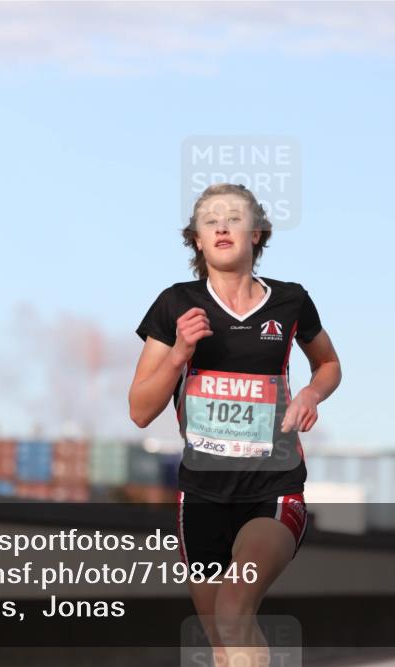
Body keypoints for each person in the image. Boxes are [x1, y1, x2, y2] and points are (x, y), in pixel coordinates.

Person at [129, 183, 342, 666]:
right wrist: (180, 352)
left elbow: (328, 364)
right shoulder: (175, 304)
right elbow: (140, 410)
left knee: (232, 610)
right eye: (210, 220)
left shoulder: (290, 301)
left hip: (273, 487)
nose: (222, 226)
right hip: (202, 497)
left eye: (234, 218)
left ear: (257, 232)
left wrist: (311, 393)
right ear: (196, 239)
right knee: (223, 645)